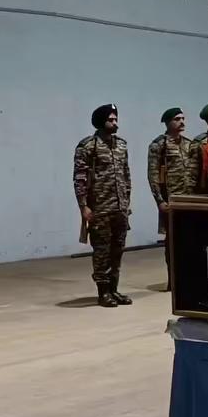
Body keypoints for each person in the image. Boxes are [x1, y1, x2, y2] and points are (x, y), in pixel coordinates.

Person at [73, 104, 132, 308]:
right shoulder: (88, 146)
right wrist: (83, 207)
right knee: (102, 251)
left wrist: (127, 202)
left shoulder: (122, 145)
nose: (115, 123)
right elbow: (80, 178)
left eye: (116, 119)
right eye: (111, 120)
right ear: (100, 122)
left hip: (120, 208)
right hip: (100, 208)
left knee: (118, 250)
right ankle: (103, 292)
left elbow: (126, 176)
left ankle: (114, 290)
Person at [147, 108, 195, 290]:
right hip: (171, 201)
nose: (181, 122)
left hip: (189, 200)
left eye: (183, 118)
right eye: (177, 119)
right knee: (172, 243)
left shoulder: (189, 144)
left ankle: (187, 277)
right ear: (167, 123)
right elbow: (153, 175)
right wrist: (159, 200)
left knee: (189, 240)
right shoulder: (159, 145)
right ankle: (173, 280)